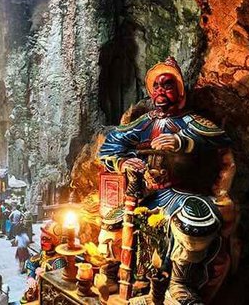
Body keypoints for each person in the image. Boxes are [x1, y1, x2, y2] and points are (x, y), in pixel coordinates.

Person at [98, 57, 234, 303]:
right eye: (156, 86)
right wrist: (123, 162)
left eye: (167, 85)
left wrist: (182, 142)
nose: (161, 91)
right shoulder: (145, 122)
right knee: (110, 222)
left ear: (179, 90)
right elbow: (111, 145)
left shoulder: (191, 121)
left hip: (181, 193)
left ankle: (179, 284)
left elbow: (220, 139)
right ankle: (114, 274)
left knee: (195, 223)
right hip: (147, 193)